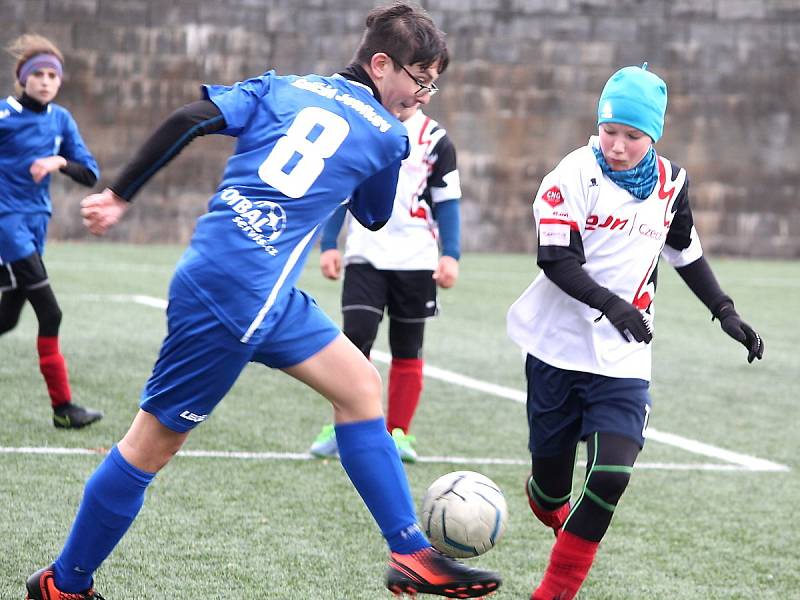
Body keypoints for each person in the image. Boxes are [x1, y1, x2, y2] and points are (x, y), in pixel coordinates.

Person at [24, 3, 501, 599]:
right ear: (381, 65)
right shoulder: (388, 135)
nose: (425, 95)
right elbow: (375, 217)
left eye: (434, 84)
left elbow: (190, 117)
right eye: (421, 79)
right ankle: (63, 584)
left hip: (248, 284)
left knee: (359, 387)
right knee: (149, 446)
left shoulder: (282, 86)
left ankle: (410, 554)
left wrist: (121, 193)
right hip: (236, 300)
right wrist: (378, 155)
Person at [506, 64, 764, 600]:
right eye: (609, 131)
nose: (617, 145)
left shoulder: (671, 184)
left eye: (632, 135)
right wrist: (612, 304)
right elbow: (556, 259)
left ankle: (552, 593)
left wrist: (725, 310)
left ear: (653, 136)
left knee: (612, 474)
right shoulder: (572, 175)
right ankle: (546, 496)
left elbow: (684, 250)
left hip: (624, 358)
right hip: (557, 349)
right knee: (551, 488)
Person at [309, 102, 461, 463]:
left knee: (407, 347)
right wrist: (329, 244)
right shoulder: (364, 128)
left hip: (417, 259)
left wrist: (450, 253)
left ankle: (398, 433)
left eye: (425, 86)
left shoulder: (436, 139)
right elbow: (342, 192)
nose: (413, 95)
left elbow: (448, 201)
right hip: (364, 255)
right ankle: (344, 427)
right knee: (355, 339)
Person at [0, 34, 102, 429]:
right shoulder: (4, 116)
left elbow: (89, 172)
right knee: (51, 312)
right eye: (37, 74)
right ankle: (63, 408)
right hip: (6, 224)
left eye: (52, 75)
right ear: (22, 78)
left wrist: (58, 160)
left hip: (34, 225)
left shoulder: (61, 120)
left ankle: (63, 409)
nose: (45, 81)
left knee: (7, 318)